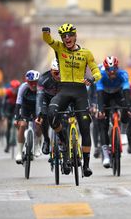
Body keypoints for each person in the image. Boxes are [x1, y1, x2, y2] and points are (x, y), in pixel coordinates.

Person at [42, 23, 101, 177]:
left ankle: (86, 165)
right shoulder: (60, 48)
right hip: (64, 90)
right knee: (51, 114)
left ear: (75, 36)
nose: (66, 38)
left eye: (69, 35)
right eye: (63, 36)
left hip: (80, 92)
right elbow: (48, 40)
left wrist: (93, 78)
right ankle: (62, 139)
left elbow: (96, 70)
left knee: (85, 127)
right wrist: (46, 32)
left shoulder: (86, 53)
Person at [96, 56, 131, 168]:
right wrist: (101, 110)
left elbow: (126, 91)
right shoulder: (100, 76)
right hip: (105, 95)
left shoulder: (123, 74)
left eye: (114, 70)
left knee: (126, 108)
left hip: (118, 94)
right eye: (109, 71)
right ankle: (106, 154)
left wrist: (128, 108)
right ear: (105, 69)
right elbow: (99, 95)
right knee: (103, 124)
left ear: (117, 68)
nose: (111, 73)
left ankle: (123, 132)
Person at [14, 70, 42, 163]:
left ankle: (37, 146)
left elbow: (44, 101)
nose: (33, 85)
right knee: (22, 125)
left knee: (38, 125)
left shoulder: (41, 87)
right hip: (25, 107)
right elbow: (18, 103)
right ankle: (19, 152)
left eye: (35, 82)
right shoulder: (23, 87)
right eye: (31, 82)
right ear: (27, 82)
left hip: (37, 107)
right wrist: (16, 118)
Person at [34, 58, 60, 155]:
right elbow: (39, 98)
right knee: (43, 116)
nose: (59, 76)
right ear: (51, 71)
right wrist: (39, 114)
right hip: (46, 99)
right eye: (56, 73)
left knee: (66, 117)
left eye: (60, 73)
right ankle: (46, 140)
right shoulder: (43, 79)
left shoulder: (66, 77)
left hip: (60, 99)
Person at [2, 79, 21, 153]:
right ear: (11, 88)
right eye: (13, 88)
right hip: (9, 110)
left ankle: (17, 139)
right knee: (8, 128)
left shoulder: (20, 93)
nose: (15, 90)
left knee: (18, 125)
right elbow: (3, 104)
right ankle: (7, 145)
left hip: (16, 109)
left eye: (16, 88)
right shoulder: (8, 93)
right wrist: (3, 114)